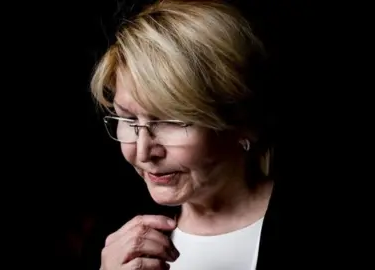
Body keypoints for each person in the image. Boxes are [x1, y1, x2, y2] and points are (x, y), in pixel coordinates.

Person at [87, 1, 286, 269]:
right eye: (129, 119)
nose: (144, 152)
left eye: (171, 122)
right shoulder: (113, 238)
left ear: (243, 122)